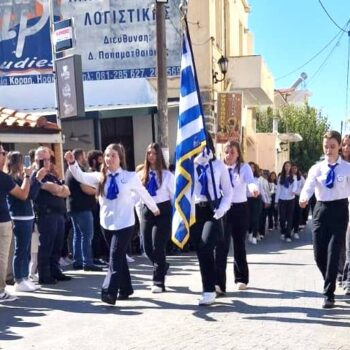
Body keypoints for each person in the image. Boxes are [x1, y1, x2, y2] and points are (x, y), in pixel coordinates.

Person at [64, 143, 160, 305]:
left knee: (114, 256)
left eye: (113, 155)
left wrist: (154, 208)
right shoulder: (100, 176)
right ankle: (126, 288)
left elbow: (143, 193)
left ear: (120, 158)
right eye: (107, 155)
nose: (109, 159)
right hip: (107, 223)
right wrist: (72, 163)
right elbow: (80, 176)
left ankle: (109, 291)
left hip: (125, 223)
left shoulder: (129, 177)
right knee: (119, 256)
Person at [300, 130, 350, 308]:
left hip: (340, 210)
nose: (329, 150)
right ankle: (330, 278)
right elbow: (308, 186)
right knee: (318, 254)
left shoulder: (347, 168)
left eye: (332, 146)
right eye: (326, 147)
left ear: (339, 148)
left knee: (333, 251)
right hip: (321, 209)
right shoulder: (317, 168)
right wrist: (304, 198)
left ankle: (328, 294)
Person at [190, 134, 232, 305]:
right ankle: (211, 284)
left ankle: (209, 290)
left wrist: (221, 211)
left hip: (212, 210)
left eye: (202, 143)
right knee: (201, 250)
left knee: (206, 246)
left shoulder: (218, 165)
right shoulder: (190, 165)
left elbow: (228, 193)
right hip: (195, 211)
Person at [215, 141, 259, 295]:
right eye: (226, 152)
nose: (229, 155)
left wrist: (254, 190)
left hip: (240, 208)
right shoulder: (219, 167)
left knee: (239, 244)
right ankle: (218, 283)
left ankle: (241, 278)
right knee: (221, 245)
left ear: (238, 153)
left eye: (232, 152)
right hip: (223, 209)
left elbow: (250, 182)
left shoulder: (244, 168)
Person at [32, 146, 71, 285]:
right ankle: (44, 274)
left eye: (48, 159)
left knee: (57, 245)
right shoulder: (35, 176)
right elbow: (35, 193)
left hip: (59, 214)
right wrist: (57, 189)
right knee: (47, 246)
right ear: (36, 160)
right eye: (43, 160)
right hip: (46, 215)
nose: (47, 163)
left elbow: (66, 191)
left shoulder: (51, 175)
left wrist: (58, 189)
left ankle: (55, 271)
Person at [0, 144, 34, 302]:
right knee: (10, 254)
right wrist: (28, 176)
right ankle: (11, 284)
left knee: (22, 250)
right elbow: (23, 194)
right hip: (11, 219)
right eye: (2, 152)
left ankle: (22, 278)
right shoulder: (7, 177)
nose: (4, 154)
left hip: (16, 218)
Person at [6, 152, 44, 292]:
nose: (24, 165)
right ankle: (19, 279)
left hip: (28, 215)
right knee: (20, 250)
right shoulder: (11, 178)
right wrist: (28, 176)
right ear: (17, 162)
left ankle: (25, 277)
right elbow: (23, 195)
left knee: (26, 250)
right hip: (19, 216)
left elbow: (31, 195)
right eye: (22, 161)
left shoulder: (21, 177)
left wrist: (37, 180)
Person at [139, 143, 174, 293]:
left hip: (163, 211)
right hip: (147, 211)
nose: (151, 156)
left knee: (158, 246)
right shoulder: (142, 174)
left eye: (154, 153)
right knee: (147, 248)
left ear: (159, 155)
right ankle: (162, 265)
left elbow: (173, 196)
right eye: (148, 153)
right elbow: (137, 196)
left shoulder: (167, 175)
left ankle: (158, 281)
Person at [65, 148, 102, 272]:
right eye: (84, 157)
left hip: (73, 207)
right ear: (80, 158)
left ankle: (78, 261)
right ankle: (87, 262)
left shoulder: (69, 171)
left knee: (78, 234)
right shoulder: (77, 171)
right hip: (82, 207)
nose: (86, 159)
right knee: (87, 235)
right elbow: (85, 188)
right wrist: (99, 191)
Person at [276, 161, 297, 242]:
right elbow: (278, 189)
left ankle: (288, 235)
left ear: (290, 167)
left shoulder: (294, 177)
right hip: (282, 199)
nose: (287, 167)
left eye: (288, 166)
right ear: (284, 167)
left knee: (290, 218)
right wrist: (276, 201)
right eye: (286, 166)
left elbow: (295, 187)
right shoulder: (281, 177)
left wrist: (293, 191)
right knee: (282, 218)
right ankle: (283, 232)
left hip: (290, 199)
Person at [341, 134, 350, 295]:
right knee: (339, 246)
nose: (347, 148)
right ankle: (341, 275)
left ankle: (348, 280)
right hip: (338, 208)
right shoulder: (338, 164)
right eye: (344, 145)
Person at [291, 164, 305, 239]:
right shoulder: (289, 177)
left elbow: (304, 187)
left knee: (297, 214)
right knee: (290, 214)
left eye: (295, 168)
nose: (294, 170)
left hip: (298, 197)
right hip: (290, 198)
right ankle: (290, 228)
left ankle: (296, 231)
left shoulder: (301, 178)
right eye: (292, 168)